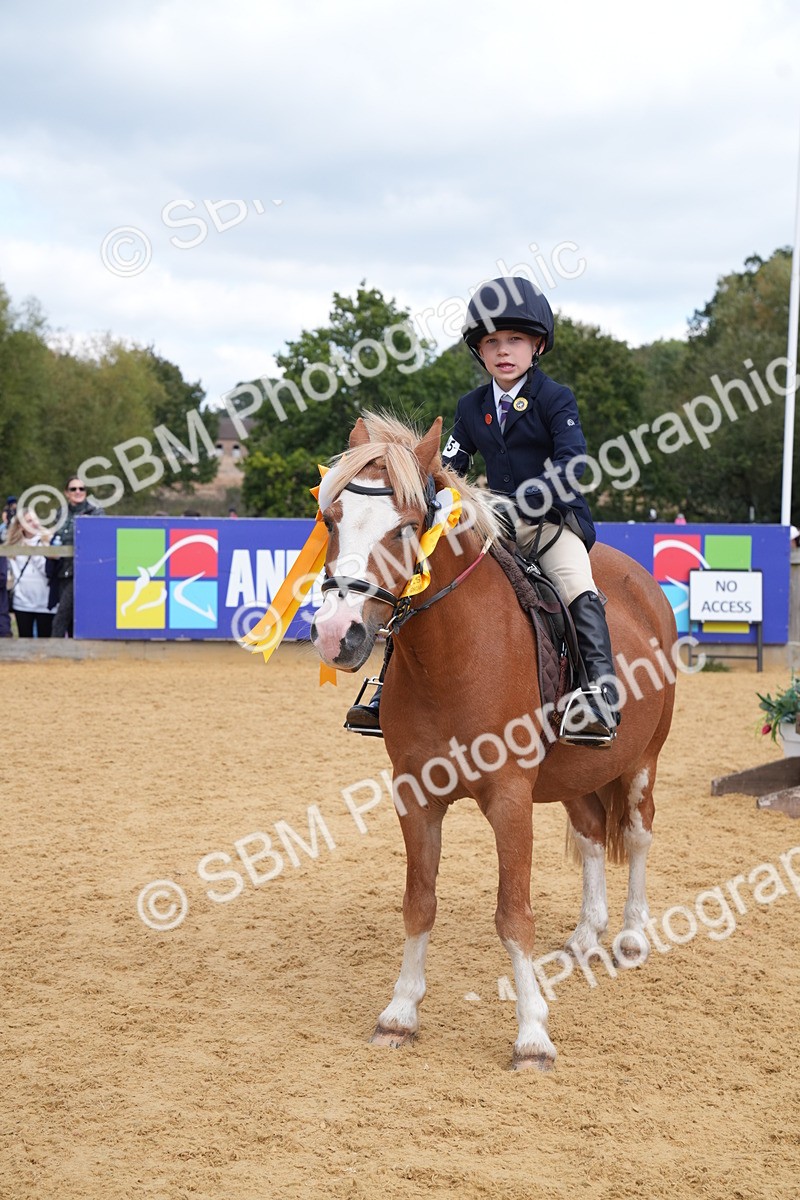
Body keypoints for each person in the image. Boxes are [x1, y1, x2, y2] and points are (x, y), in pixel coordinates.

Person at [347, 276, 620, 748]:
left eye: (515, 339)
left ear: (537, 346)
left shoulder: (556, 399)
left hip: (552, 526)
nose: (503, 350)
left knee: (577, 584)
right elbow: (448, 465)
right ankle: (386, 690)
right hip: (496, 526)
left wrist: (518, 505)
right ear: (480, 351)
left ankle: (599, 695)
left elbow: (573, 464)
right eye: (491, 342)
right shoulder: (471, 406)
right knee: (420, 578)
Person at [48, 477, 104, 638]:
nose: (78, 492)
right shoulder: (59, 513)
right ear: (66, 493)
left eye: (82, 489)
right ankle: (72, 656)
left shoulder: (96, 512)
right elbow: (53, 538)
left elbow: (101, 538)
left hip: (85, 573)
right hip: (62, 571)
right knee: (72, 616)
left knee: (62, 615)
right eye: (73, 489)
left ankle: (54, 650)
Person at [6, 510, 55, 637]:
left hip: (45, 603)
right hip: (22, 603)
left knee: (45, 642)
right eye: (29, 521)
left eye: (35, 519)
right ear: (21, 526)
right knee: (24, 640)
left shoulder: (49, 541)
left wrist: (33, 551)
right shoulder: (13, 546)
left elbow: (48, 571)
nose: (34, 523)